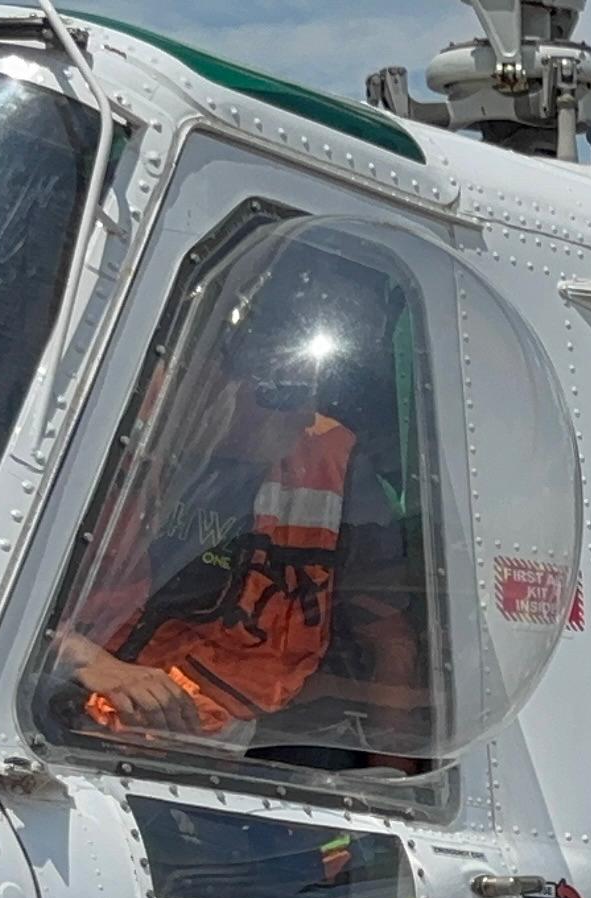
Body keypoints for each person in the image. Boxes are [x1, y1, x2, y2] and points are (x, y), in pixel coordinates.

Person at [55, 255, 422, 751]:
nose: (297, 409)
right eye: (272, 380)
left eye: (305, 383)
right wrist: (87, 660)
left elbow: (389, 640)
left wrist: (390, 773)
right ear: (207, 367)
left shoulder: (333, 463)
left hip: (234, 758)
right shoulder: (106, 430)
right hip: (65, 722)